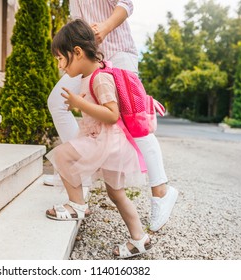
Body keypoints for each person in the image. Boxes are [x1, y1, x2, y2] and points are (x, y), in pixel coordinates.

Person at [45, 0, 178, 232]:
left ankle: (161, 191)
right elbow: (77, 21)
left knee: (133, 120)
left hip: (118, 52)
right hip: (86, 56)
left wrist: (104, 28)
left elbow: (126, 3)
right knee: (57, 101)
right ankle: (80, 169)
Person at [45, 19, 152, 259]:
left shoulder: (100, 78)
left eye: (61, 58)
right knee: (116, 193)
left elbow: (112, 114)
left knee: (63, 155)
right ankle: (139, 238)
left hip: (106, 142)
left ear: (78, 52)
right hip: (104, 141)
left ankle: (77, 205)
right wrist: (80, 105)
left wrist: (79, 103)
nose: (60, 66)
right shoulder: (91, 76)